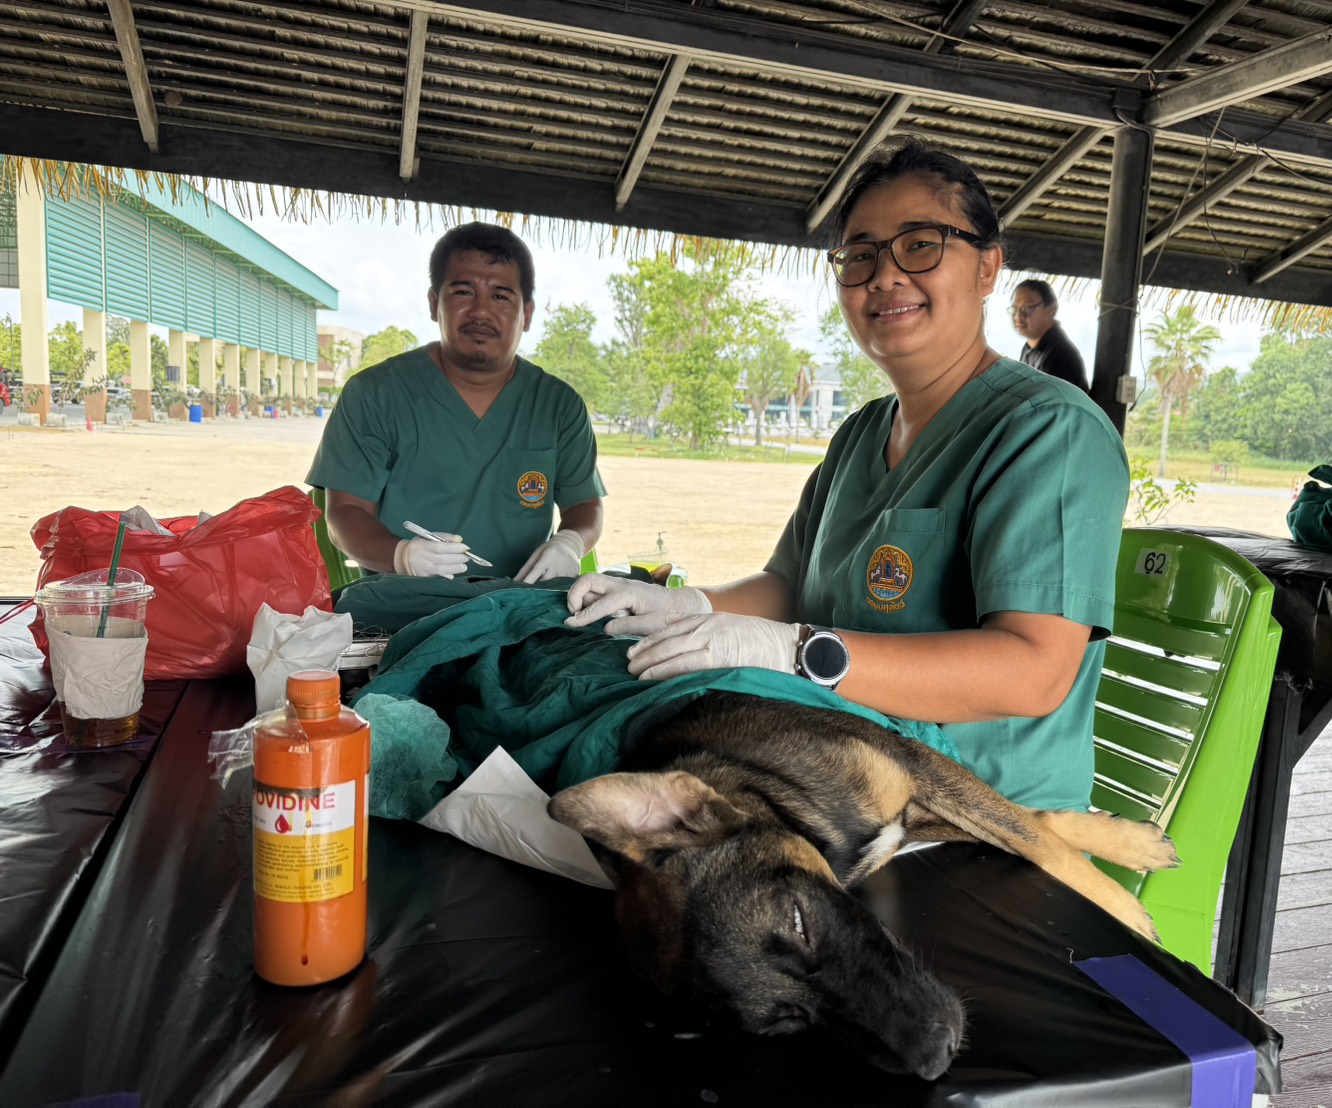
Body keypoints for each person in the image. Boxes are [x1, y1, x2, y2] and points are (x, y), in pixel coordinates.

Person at [565, 138, 1128, 813]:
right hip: (841, 779)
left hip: (982, 816)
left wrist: (800, 652)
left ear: (987, 270)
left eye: (919, 245)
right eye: (860, 256)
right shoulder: (861, 433)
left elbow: (1032, 672)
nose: (884, 276)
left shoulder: (1047, 429)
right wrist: (691, 607)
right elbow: (788, 587)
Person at [307, 223, 605, 583]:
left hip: (519, 602)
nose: (481, 312)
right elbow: (345, 513)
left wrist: (570, 542)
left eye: (500, 296)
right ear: (435, 304)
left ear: (527, 314)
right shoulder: (374, 394)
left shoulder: (558, 406)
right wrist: (400, 556)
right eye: (463, 292)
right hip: (402, 602)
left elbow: (585, 505)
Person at [1012, 278, 1089, 393]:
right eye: (1015, 309)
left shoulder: (1059, 356)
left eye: (1027, 308)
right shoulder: (1029, 347)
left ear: (1051, 309)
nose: (1018, 317)